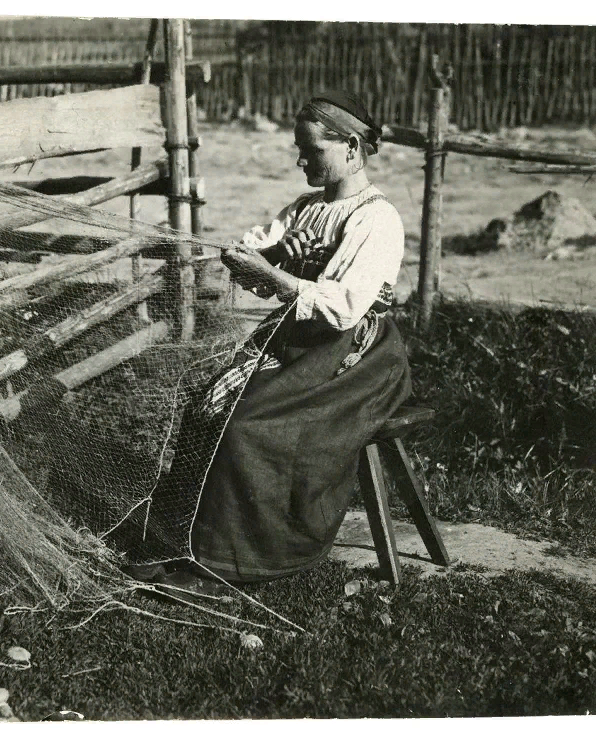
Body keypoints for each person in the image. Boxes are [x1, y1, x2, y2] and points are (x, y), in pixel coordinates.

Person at [126, 91, 413, 594]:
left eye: (311, 150)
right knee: (205, 409)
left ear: (350, 148)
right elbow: (241, 253)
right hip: (297, 340)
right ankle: (181, 538)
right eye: (298, 149)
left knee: (245, 428)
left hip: (353, 355)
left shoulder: (376, 220)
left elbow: (343, 308)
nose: (301, 160)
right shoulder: (305, 209)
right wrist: (279, 251)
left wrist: (276, 276)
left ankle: (231, 562)